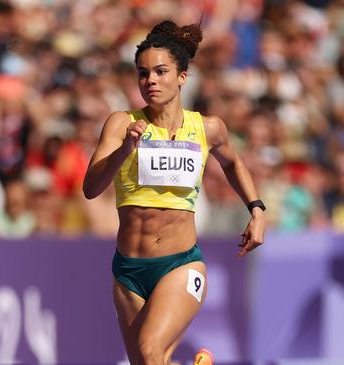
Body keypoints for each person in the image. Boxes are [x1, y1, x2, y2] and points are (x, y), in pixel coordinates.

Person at [82, 20, 266, 365]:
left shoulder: (208, 128)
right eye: (142, 73)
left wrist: (256, 210)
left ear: (182, 76)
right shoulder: (121, 123)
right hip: (128, 272)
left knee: (151, 351)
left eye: (160, 71)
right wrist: (124, 150)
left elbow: (233, 163)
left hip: (179, 266)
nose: (150, 80)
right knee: (150, 361)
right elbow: (91, 188)